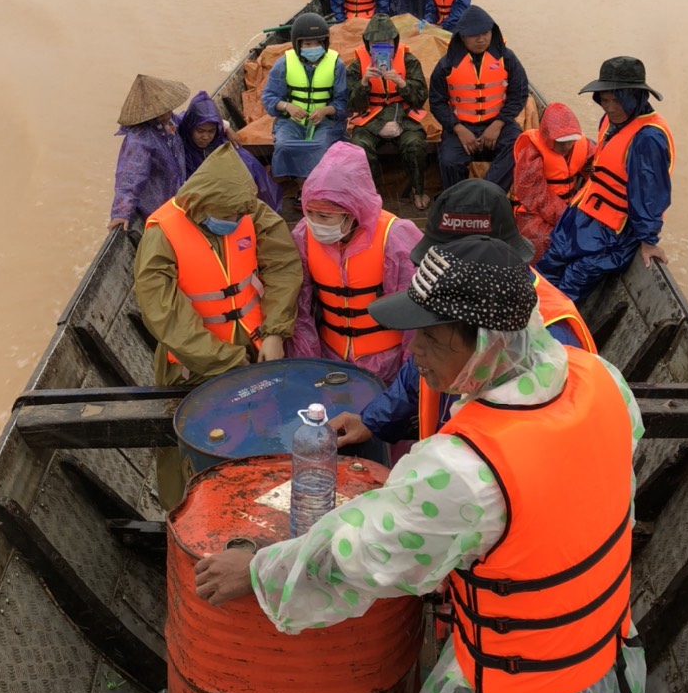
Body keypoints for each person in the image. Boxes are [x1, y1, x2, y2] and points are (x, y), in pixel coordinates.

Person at [195, 235, 645, 693]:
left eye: (429, 338)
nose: (415, 352)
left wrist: (262, 570)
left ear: (482, 341)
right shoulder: (604, 382)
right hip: (608, 674)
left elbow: (357, 555)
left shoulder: (465, 471)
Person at [331, 179, 596, 455]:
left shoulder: (553, 335)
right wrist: (372, 421)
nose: (416, 346)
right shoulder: (452, 303)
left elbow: (543, 448)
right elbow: (419, 369)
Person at [134, 144, 302, 508]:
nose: (233, 220)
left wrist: (275, 332)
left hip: (257, 350)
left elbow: (283, 266)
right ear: (200, 205)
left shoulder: (248, 210)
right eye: (223, 214)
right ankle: (186, 512)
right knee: (194, 446)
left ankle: (264, 500)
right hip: (192, 365)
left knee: (265, 433)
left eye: (238, 213)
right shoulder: (161, 234)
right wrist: (224, 361)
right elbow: (164, 313)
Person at [538, 57, 675, 302]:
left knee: (573, 280)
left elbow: (649, 194)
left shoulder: (648, 138)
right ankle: (524, 317)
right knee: (548, 266)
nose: (610, 107)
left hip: (614, 232)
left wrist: (649, 240)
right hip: (583, 215)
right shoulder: (610, 120)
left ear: (636, 97)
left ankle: (547, 330)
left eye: (617, 100)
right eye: (605, 99)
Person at [289, 141, 421, 385]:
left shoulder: (395, 238)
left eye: (325, 216)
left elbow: (414, 317)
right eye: (310, 213)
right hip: (330, 358)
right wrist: (308, 364)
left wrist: (408, 380)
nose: (315, 223)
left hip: (386, 363)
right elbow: (300, 307)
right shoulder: (303, 236)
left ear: (352, 211)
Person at [428, 4, 529, 193]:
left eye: (485, 33)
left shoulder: (507, 58)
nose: (481, 39)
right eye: (474, 35)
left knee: (518, 145)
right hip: (461, 126)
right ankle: (457, 200)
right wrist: (458, 128)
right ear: (462, 36)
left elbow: (519, 93)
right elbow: (437, 101)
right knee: (449, 160)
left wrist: (498, 124)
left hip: (498, 124)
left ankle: (486, 193)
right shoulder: (446, 65)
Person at [346, 12, 430, 210]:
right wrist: (364, 82)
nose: (383, 48)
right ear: (368, 44)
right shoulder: (357, 65)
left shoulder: (409, 60)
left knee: (415, 144)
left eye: (388, 43)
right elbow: (351, 105)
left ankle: (418, 190)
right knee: (360, 147)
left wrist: (401, 83)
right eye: (377, 44)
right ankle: (371, 195)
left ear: (395, 41)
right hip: (370, 118)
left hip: (403, 115)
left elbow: (420, 98)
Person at [262, 12, 348, 191]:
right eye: (308, 44)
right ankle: (300, 184)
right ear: (297, 44)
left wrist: (325, 111)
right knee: (284, 145)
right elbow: (269, 97)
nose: (313, 47)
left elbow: (343, 102)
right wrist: (287, 107)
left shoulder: (336, 64)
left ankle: (315, 187)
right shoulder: (283, 63)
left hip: (326, 122)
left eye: (318, 43)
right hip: (291, 121)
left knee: (320, 145)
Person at [513, 101, 595, 263]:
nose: (565, 146)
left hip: (570, 205)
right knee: (543, 239)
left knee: (592, 235)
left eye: (569, 141)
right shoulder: (532, 151)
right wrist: (565, 218)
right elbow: (534, 195)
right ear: (547, 137)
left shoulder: (584, 146)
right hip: (533, 211)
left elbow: (597, 175)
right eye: (559, 141)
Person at [109, 73, 191, 230]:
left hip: (176, 192)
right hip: (157, 204)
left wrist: (223, 126)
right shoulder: (139, 139)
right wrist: (121, 212)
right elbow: (131, 176)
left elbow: (187, 121)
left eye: (168, 109)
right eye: (163, 111)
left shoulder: (169, 120)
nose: (168, 112)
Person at [178, 90, 282, 212]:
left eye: (211, 131)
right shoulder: (181, 134)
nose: (205, 137)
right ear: (190, 127)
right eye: (200, 131)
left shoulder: (226, 146)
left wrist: (226, 128)